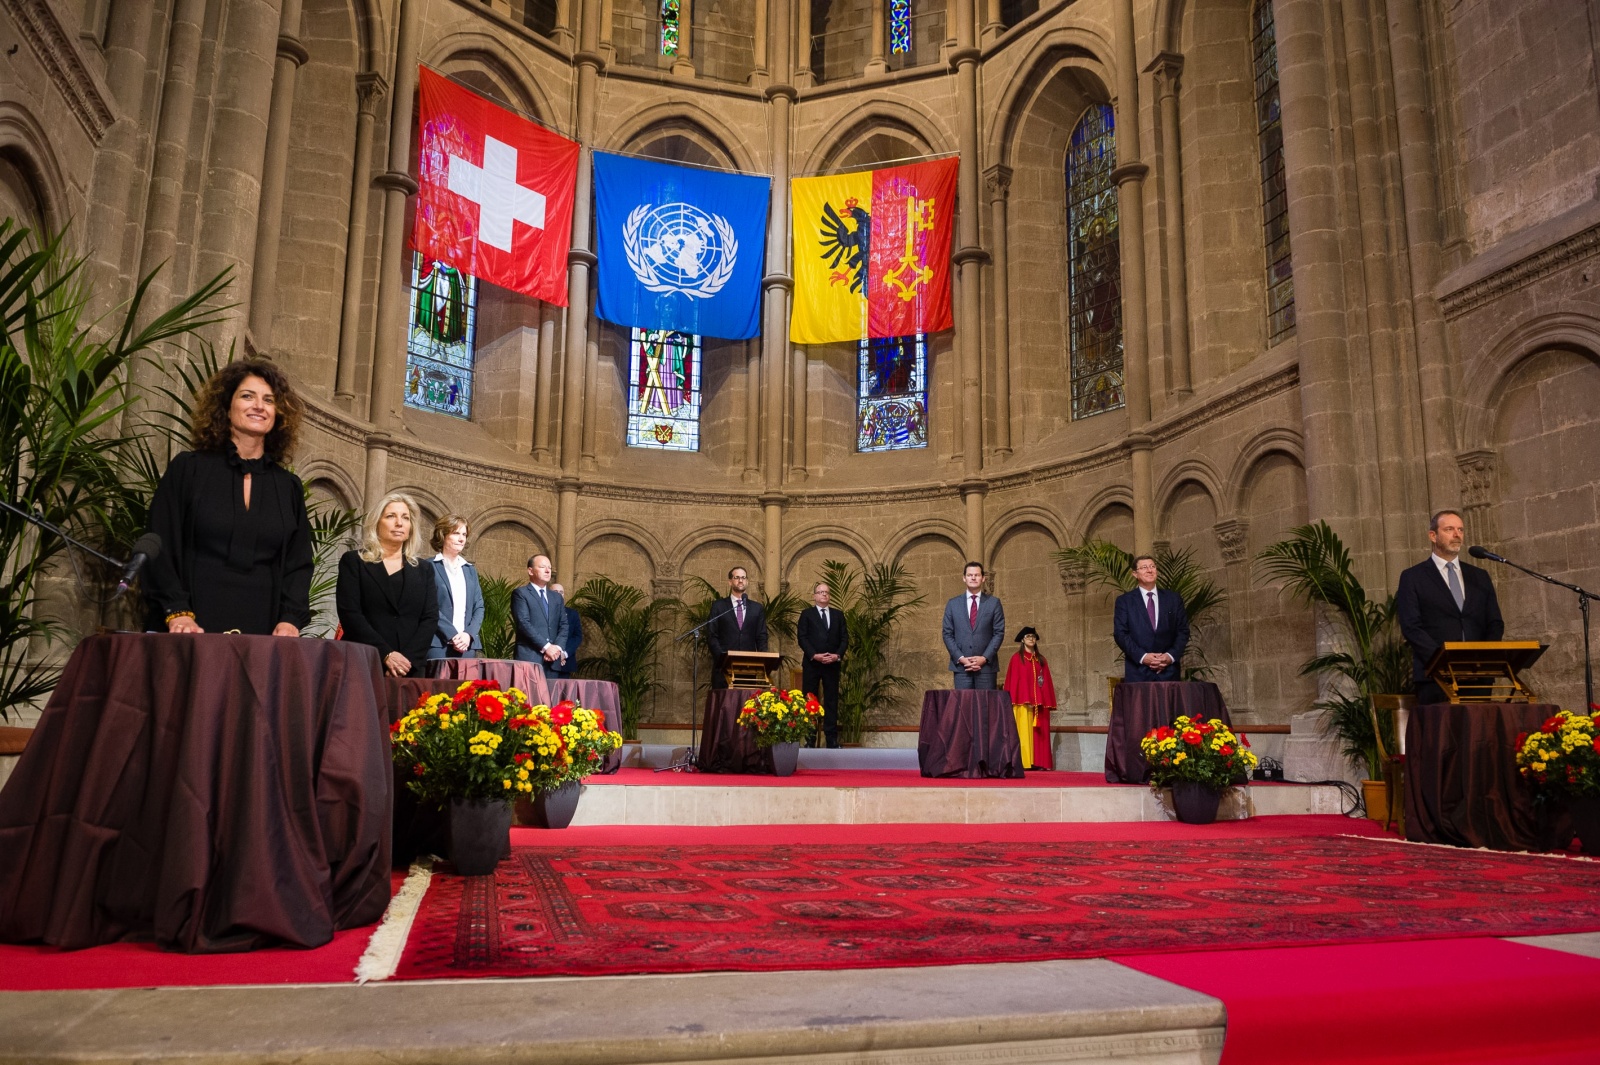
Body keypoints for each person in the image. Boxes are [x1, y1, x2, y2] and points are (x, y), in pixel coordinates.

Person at [145, 358, 314, 636]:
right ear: (226, 405)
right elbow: (160, 544)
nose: (259, 406)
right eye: (247, 396)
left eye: (269, 400)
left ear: (278, 413)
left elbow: (299, 563)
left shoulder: (288, 487)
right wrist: (176, 612)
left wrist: (290, 619)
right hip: (189, 627)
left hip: (263, 633)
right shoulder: (189, 469)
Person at [1397, 509, 1505, 705]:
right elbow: (1411, 626)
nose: (1457, 535)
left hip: (1478, 677)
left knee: (1477, 734)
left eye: (1461, 530)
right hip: (1435, 676)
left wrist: (1483, 658)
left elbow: (1495, 623)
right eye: (1449, 529)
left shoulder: (1479, 576)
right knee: (1443, 735)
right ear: (1433, 535)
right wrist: (1443, 660)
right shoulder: (1413, 577)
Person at [336, 492, 438, 677]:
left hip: (410, 668)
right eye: (391, 516)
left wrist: (406, 661)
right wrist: (386, 654)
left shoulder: (425, 569)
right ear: (376, 523)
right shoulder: (354, 562)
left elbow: (429, 619)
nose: (399, 523)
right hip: (364, 661)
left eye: (405, 518)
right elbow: (350, 614)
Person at [1113, 555, 1190, 681]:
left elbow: (1183, 631)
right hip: (1138, 671)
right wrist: (1143, 657)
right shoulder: (1124, 601)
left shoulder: (1173, 599)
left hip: (1169, 671)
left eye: (1152, 566)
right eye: (1144, 567)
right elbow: (1120, 634)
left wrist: (1170, 656)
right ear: (1135, 574)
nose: (1149, 570)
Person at [797, 581, 849, 748]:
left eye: (826, 592)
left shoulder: (838, 615)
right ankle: (810, 738)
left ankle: (831, 739)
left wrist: (837, 655)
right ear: (814, 596)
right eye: (820, 592)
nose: (824, 594)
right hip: (813, 664)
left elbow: (844, 638)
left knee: (831, 701)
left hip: (832, 664)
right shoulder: (807, 614)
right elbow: (802, 637)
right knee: (811, 701)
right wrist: (814, 655)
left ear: (830, 595)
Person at [426, 514, 483, 661]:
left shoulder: (470, 570)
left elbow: (479, 607)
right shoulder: (429, 567)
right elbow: (429, 606)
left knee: (466, 685)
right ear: (443, 535)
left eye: (464, 534)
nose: (461, 539)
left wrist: (468, 634)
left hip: (467, 645)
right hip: (439, 644)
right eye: (456, 533)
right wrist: (452, 634)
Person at [942, 561, 1005, 690]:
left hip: (986, 668)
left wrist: (984, 658)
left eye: (976, 575)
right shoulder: (953, 604)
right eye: (970, 575)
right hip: (962, 668)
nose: (973, 578)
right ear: (964, 578)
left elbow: (998, 633)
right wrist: (961, 658)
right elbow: (947, 634)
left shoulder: (993, 603)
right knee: (964, 708)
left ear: (983, 578)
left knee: (985, 707)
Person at [1004, 626, 1058, 770]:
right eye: (1028, 636)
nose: (1031, 639)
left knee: (1040, 734)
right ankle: (1024, 762)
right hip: (1022, 703)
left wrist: (1044, 699)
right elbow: (1014, 681)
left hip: (1039, 704)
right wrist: (1023, 697)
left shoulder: (1041, 660)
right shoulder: (1016, 659)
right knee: (1023, 732)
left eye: (1033, 637)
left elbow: (1046, 682)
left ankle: (1040, 762)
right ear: (1022, 640)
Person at [707, 566, 768, 689]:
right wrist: (722, 658)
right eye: (737, 577)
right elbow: (712, 634)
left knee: (746, 706)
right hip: (723, 668)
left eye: (743, 578)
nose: (740, 580)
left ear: (747, 582)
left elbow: (761, 636)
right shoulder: (719, 606)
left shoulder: (756, 608)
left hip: (748, 668)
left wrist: (763, 659)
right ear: (730, 581)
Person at [512, 554, 568, 675]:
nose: (548, 570)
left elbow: (564, 625)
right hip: (529, 659)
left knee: (551, 694)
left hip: (552, 661)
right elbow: (523, 623)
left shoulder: (557, 597)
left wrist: (556, 648)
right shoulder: (521, 594)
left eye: (550, 567)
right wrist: (546, 647)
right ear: (530, 571)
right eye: (543, 567)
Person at [545, 581, 583, 679]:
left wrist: (564, 654)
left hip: (565, 663)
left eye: (561, 592)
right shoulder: (543, 612)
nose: (559, 594)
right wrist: (554, 654)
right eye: (555, 591)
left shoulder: (572, 614)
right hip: (546, 661)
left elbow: (577, 636)